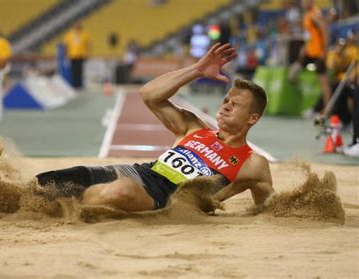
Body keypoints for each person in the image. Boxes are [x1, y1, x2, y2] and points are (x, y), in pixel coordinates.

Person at [36, 43, 274, 212]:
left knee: (122, 191)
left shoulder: (253, 164)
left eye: (236, 105)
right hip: (141, 172)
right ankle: (26, 199)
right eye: (225, 101)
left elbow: (268, 208)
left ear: (252, 118)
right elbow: (149, 95)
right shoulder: (193, 128)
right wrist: (197, 71)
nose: (225, 107)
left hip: (164, 199)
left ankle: (60, 210)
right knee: (66, 178)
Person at [295, 0, 332, 115]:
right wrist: (304, 48)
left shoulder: (316, 14)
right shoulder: (307, 15)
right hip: (309, 53)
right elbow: (311, 35)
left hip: (318, 54)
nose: (303, 3)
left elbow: (325, 32)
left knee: (324, 82)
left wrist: (324, 52)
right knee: (293, 73)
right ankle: (308, 105)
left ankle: (327, 111)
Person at [63, 22, 90, 90]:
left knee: (80, 71)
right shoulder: (69, 34)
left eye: (79, 25)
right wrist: (66, 55)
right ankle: (74, 85)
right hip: (72, 56)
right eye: (76, 25)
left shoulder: (84, 34)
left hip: (81, 55)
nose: (78, 26)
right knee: (73, 71)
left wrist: (87, 54)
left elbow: (87, 45)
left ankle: (80, 85)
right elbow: (66, 45)